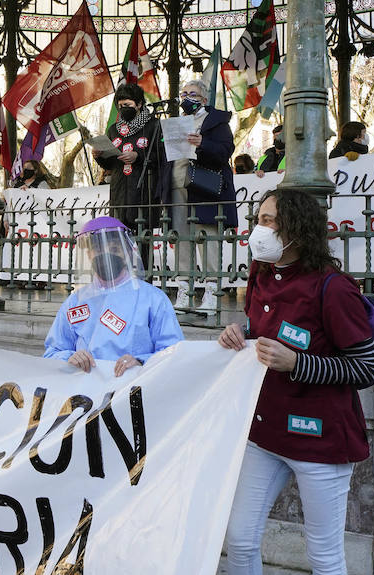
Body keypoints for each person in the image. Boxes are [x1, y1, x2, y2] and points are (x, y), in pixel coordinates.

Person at [194, 187, 374, 575]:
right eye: (258, 218)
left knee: (325, 556)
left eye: (269, 219)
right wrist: (241, 333)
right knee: (242, 536)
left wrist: (300, 363)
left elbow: (364, 366)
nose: (259, 227)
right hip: (266, 432)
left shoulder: (334, 288)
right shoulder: (261, 274)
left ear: (297, 228)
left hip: (323, 443)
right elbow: (262, 332)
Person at [43, 216, 182, 375]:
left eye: (115, 249)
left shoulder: (153, 299)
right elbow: (52, 352)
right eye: (99, 249)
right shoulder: (75, 302)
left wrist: (140, 361)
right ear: (88, 255)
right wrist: (70, 357)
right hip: (84, 393)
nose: (107, 255)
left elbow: (174, 351)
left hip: (131, 390)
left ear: (128, 254)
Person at [165, 80, 237, 318]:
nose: (187, 97)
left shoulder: (217, 120)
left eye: (192, 94)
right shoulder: (176, 122)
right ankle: (185, 290)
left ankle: (212, 293)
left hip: (203, 187)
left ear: (204, 99)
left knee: (207, 240)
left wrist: (202, 143)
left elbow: (226, 151)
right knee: (182, 240)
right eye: (183, 93)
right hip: (177, 187)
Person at [95, 83, 165, 267]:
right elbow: (111, 164)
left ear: (140, 104)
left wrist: (138, 156)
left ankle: (144, 280)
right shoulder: (113, 129)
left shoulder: (153, 125)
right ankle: (121, 278)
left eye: (128, 105)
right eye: (121, 106)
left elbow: (161, 156)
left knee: (143, 240)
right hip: (119, 192)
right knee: (118, 241)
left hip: (143, 191)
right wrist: (100, 157)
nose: (123, 109)